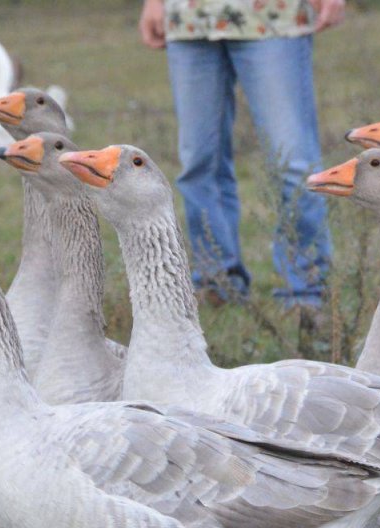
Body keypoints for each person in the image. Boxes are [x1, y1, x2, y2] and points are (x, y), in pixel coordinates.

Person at [139, 0, 345, 308]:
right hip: (189, 20)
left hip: (274, 17)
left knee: (294, 163)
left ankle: (308, 292)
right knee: (198, 162)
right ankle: (217, 284)